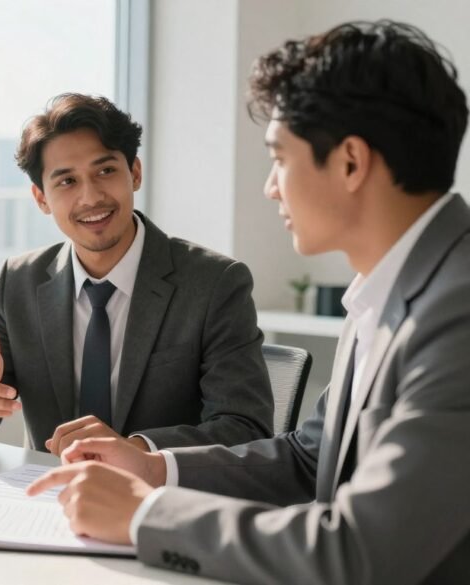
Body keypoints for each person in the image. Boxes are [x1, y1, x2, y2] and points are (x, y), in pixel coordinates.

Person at [28, 20, 470, 584]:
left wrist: (145, 516)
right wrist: (152, 467)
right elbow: (311, 461)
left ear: (351, 163)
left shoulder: (456, 313)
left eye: (279, 158)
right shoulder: (388, 293)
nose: (270, 187)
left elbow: (363, 552)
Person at [0, 93, 274, 456]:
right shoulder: (18, 282)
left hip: (160, 503)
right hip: (50, 502)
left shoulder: (214, 283)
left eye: (106, 171)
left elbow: (246, 427)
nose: (91, 197)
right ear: (41, 198)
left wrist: (136, 450)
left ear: (135, 173)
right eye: (66, 182)